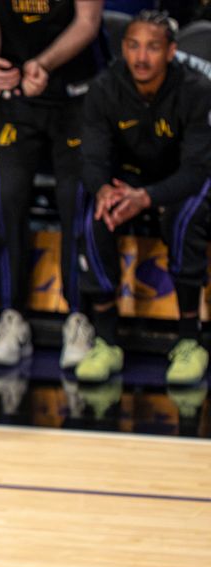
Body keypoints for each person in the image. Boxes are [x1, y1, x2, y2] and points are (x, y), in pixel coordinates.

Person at [73, 10, 211, 386]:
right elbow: (92, 158)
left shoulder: (196, 91)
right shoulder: (105, 88)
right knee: (94, 214)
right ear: (123, 48)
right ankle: (105, 339)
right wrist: (104, 189)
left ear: (170, 52)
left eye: (152, 47)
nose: (141, 57)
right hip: (129, 179)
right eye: (133, 46)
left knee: (183, 218)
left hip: (184, 176)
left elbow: (198, 169)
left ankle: (189, 341)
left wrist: (148, 198)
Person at [0, 0, 105, 369]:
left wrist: (44, 63)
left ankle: (79, 318)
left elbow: (88, 22)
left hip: (77, 94)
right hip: (15, 94)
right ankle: (12, 315)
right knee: (8, 199)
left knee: (73, 203)